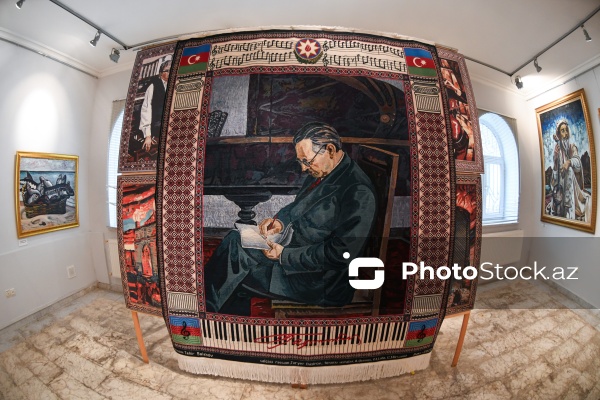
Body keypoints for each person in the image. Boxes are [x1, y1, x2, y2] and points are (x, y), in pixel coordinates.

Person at [204, 122, 377, 315]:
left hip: (319, 282)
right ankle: (214, 313)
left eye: (307, 161)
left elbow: (341, 254)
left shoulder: (358, 191)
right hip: (298, 260)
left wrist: (284, 255)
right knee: (234, 240)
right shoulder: (325, 169)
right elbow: (299, 207)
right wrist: (279, 222)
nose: (303, 169)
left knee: (233, 269)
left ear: (329, 150)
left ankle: (209, 315)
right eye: (301, 161)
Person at [550, 120, 590, 221]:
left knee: (570, 171)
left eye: (566, 130)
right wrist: (556, 160)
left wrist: (569, 162)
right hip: (561, 191)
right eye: (562, 131)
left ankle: (569, 210)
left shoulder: (572, 147)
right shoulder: (558, 150)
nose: (565, 134)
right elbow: (554, 179)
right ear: (559, 135)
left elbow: (578, 163)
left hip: (573, 189)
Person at [139, 59, 171, 152]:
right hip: (157, 124)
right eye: (167, 71)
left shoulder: (174, 85)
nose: (170, 73)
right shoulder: (153, 86)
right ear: (161, 73)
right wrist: (148, 135)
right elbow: (146, 109)